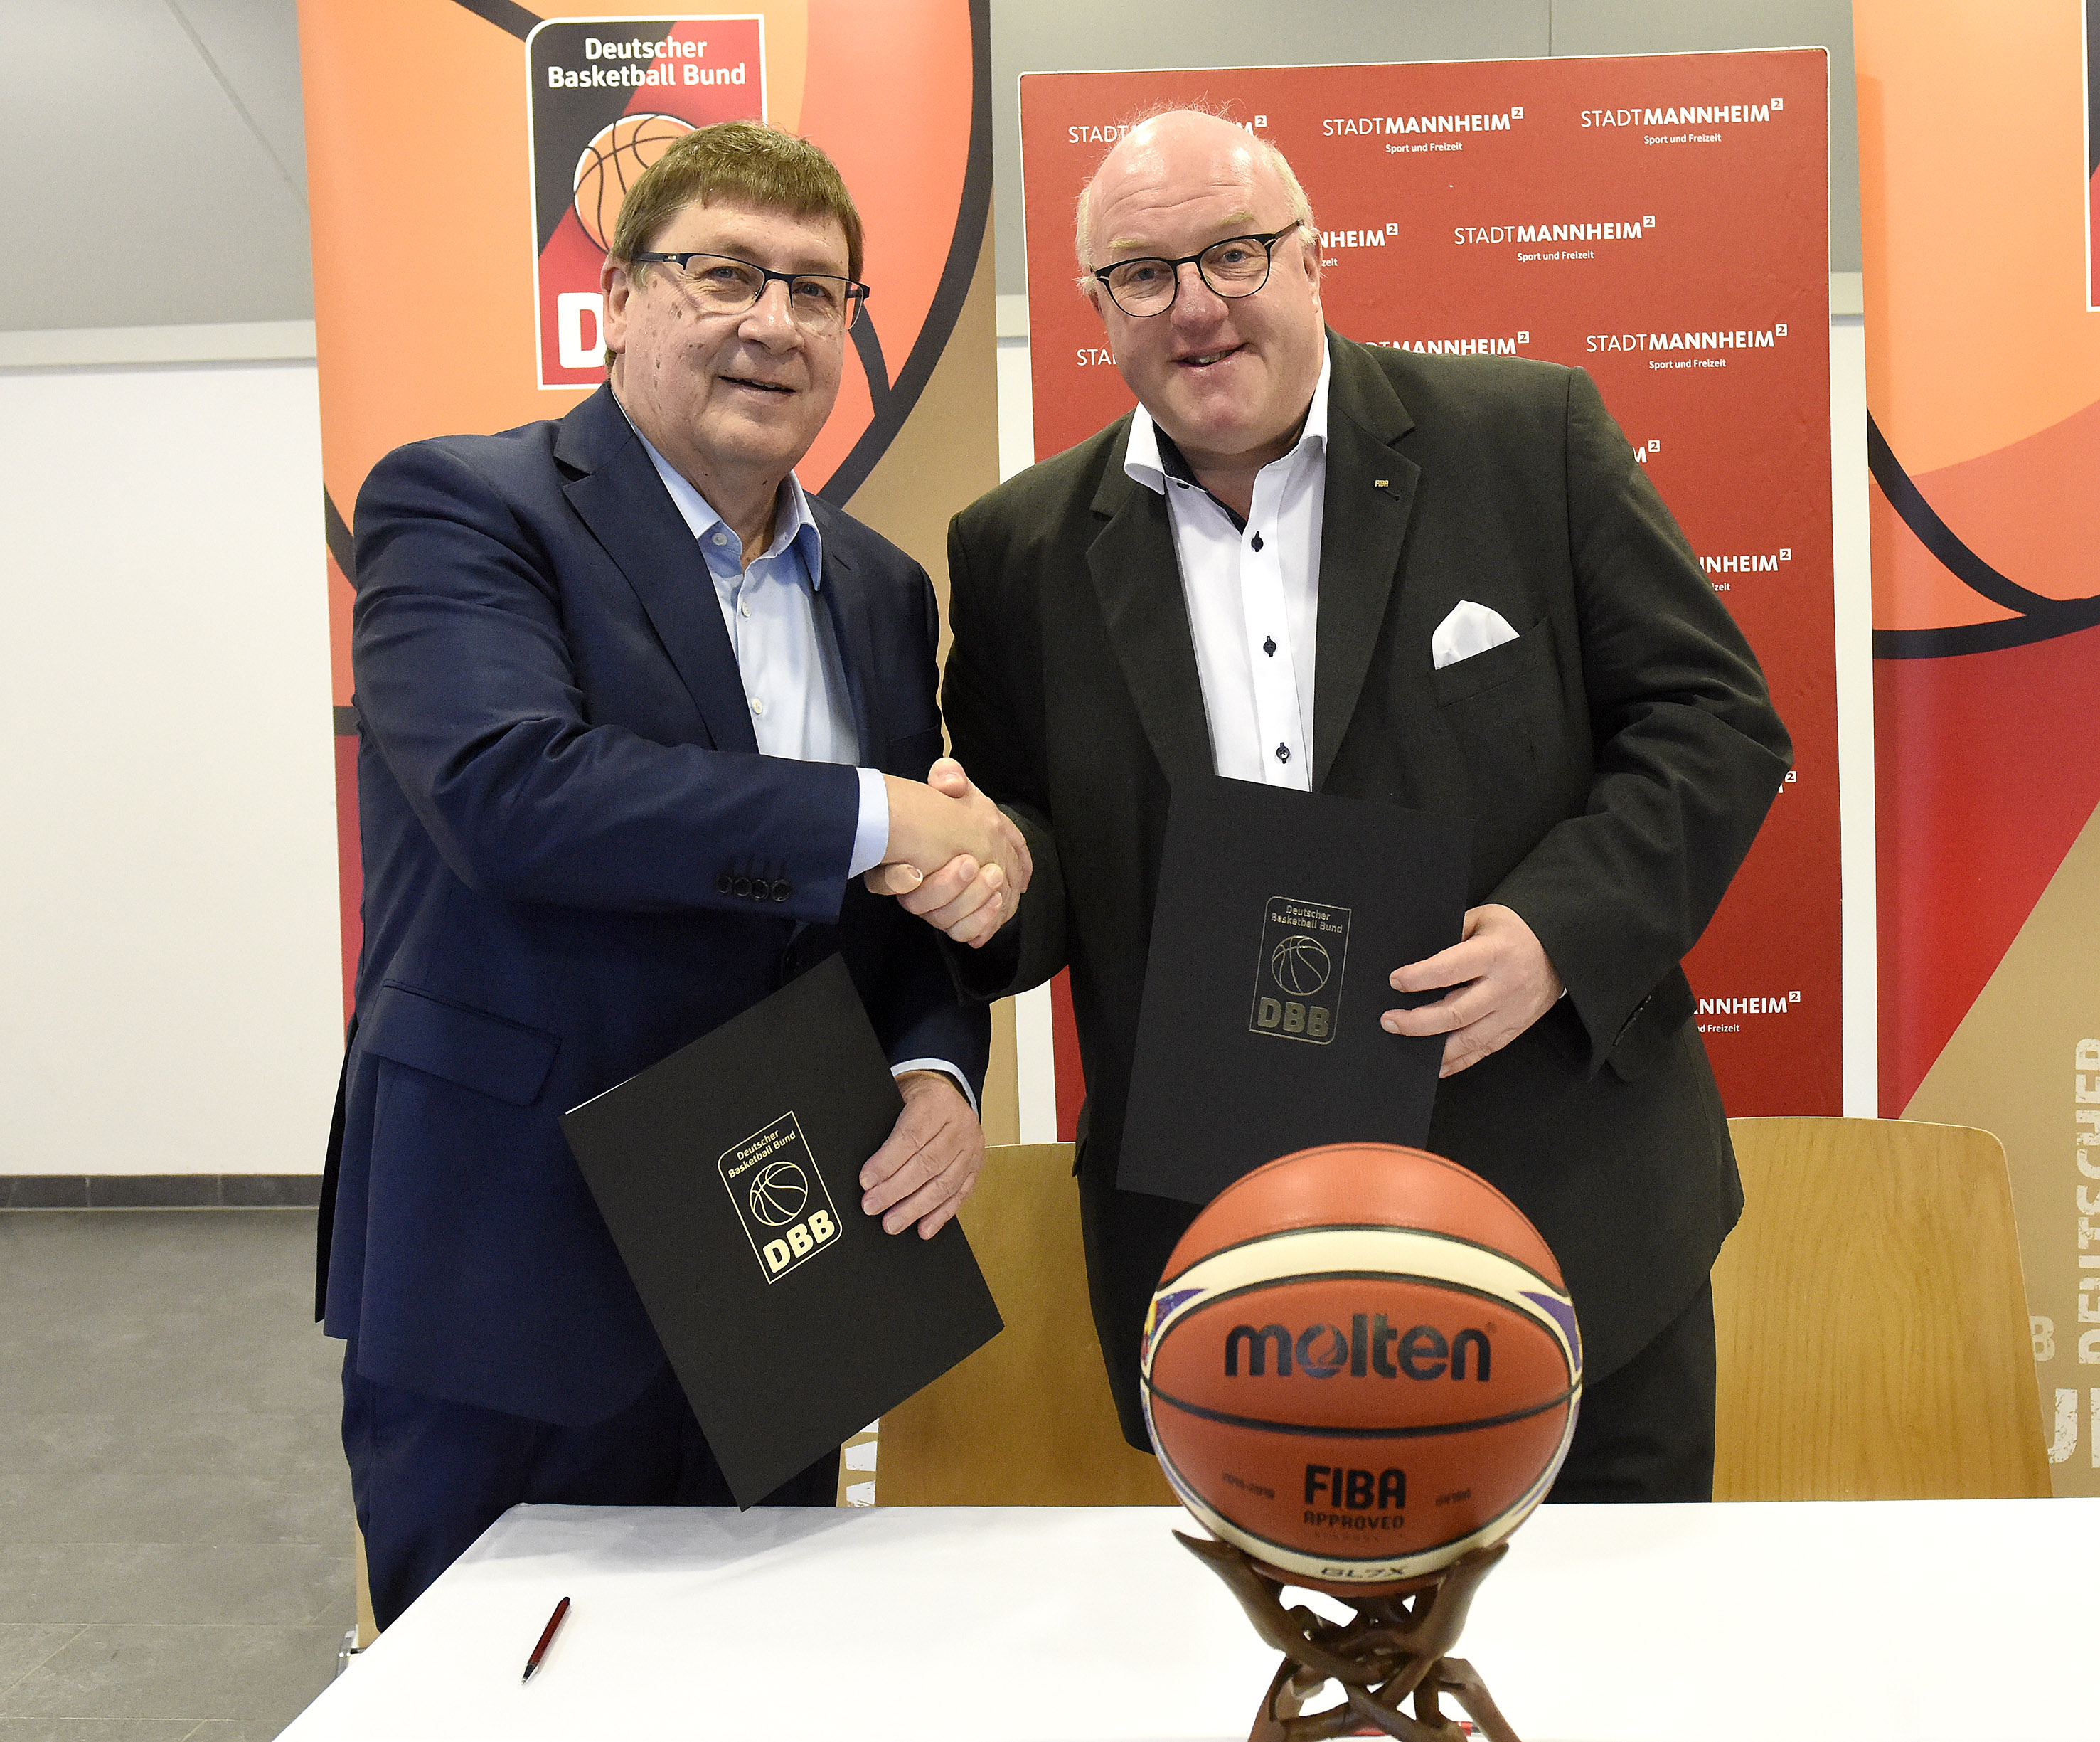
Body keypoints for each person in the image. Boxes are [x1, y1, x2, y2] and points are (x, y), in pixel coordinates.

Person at [883, 110, 1791, 1502]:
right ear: (1098, 310)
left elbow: (1712, 720)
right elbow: (1042, 854)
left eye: (1233, 253)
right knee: (1286, 1636)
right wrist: (988, 879)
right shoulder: (1017, 549)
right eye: (1143, 275)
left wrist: (1556, 934)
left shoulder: (1528, 437)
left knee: (1610, 1624)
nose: (1195, 307)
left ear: (1311, 259)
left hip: (1566, 1212)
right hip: (1228, 1253)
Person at [317, 122, 1028, 1627]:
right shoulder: (465, 506)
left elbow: (891, 911)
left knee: (754, 1660)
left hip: (780, 1251)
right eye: (724, 275)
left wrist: (932, 1064)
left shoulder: (882, 588)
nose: (774, 321)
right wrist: (883, 818)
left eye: (816, 290)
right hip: (514, 1256)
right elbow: (512, 792)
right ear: (620, 302)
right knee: (494, 1681)